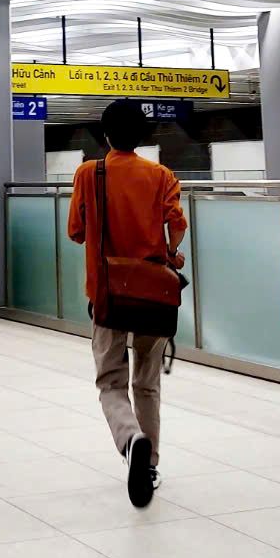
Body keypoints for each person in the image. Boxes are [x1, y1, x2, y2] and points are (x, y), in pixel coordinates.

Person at [68, 99, 187, 507]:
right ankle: (150, 462)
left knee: (111, 382)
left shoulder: (89, 173)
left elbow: (76, 231)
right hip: (153, 293)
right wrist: (171, 254)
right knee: (147, 383)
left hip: (106, 293)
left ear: (105, 135)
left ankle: (130, 438)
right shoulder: (161, 175)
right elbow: (177, 225)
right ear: (143, 136)